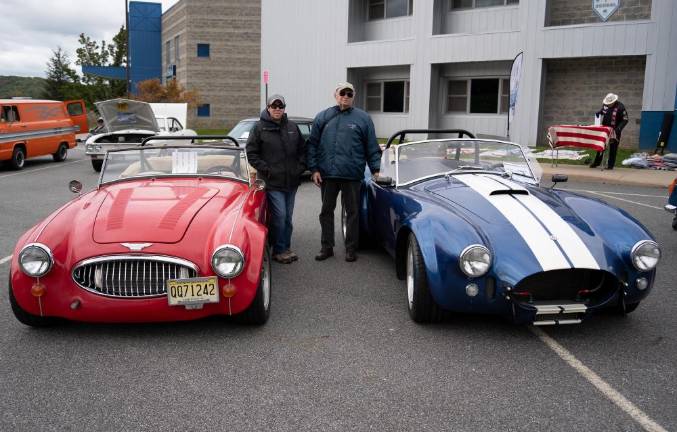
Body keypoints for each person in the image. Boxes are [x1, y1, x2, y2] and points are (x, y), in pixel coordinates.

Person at [307, 82, 381, 262]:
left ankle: (351, 249)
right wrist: (314, 169)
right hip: (328, 174)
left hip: (352, 175)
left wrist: (376, 169)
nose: (345, 96)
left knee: (352, 213)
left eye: (349, 94)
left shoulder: (363, 118)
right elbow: (312, 145)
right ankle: (327, 247)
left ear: (353, 96)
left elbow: (371, 146)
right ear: (335, 94)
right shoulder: (323, 117)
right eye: (342, 93)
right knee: (326, 212)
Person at [246, 94, 307, 264]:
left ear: (284, 108)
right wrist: (267, 169)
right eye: (274, 106)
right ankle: (278, 250)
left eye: (280, 106)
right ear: (268, 108)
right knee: (280, 216)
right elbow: (251, 153)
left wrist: (300, 169)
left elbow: (303, 150)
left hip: (291, 182)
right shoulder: (259, 128)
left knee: (288, 217)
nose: (277, 109)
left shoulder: (292, 127)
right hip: (272, 182)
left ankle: (285, 247)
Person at [590, 93, 628, 170]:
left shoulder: (621, 107)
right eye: (607, 103)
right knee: (601, 146)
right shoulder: (605, 105)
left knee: (613, 148)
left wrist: (619, 128)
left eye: (610, 103)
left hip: (615, 130)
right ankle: (596, 163)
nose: (608, 105)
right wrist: (599, 112)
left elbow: (625, 120)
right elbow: (603, 111)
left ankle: (610, 165)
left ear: (614, 101)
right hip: (604, 129)